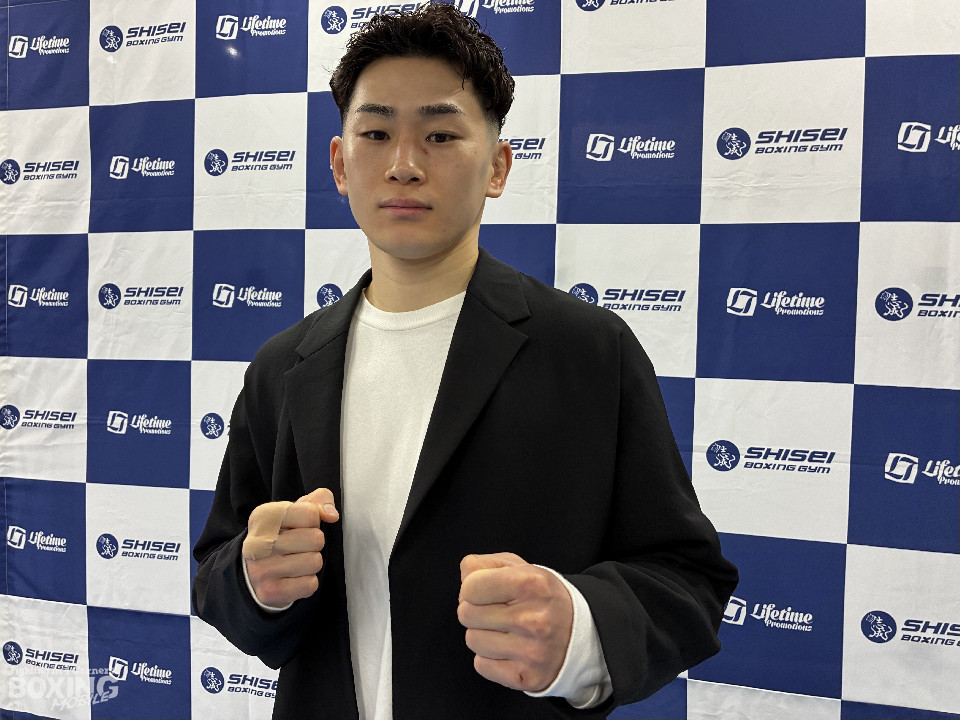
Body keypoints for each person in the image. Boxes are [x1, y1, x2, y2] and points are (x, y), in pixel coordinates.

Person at [192, 5, 738, 719]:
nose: (404, 164)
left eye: (441, 135)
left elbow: (687, 579)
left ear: (497, 166)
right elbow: (220, 570)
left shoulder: (587, 351)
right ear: (340, 163)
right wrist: (254, 582)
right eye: (376, 133)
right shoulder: (282, 367)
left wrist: (579, 631)